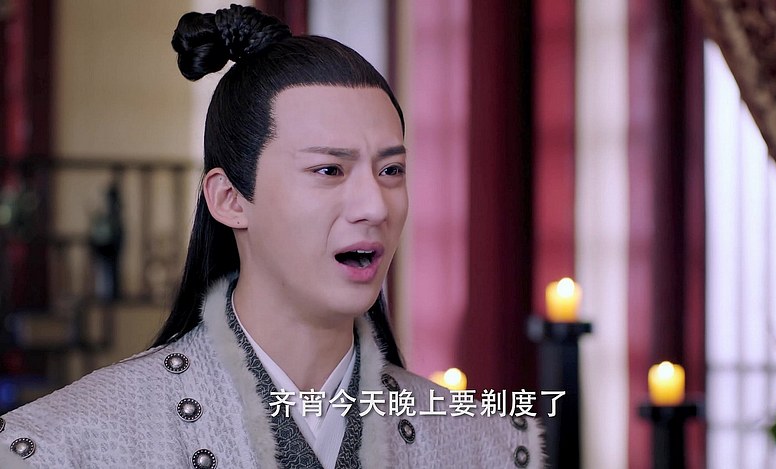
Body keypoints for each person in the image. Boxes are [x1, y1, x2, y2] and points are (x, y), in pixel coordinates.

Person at [0, 5, 543, 468]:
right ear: (230, 199)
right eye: (329, 170)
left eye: (391, 171)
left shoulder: (486, 445)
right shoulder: (61, 446)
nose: (375, 206)